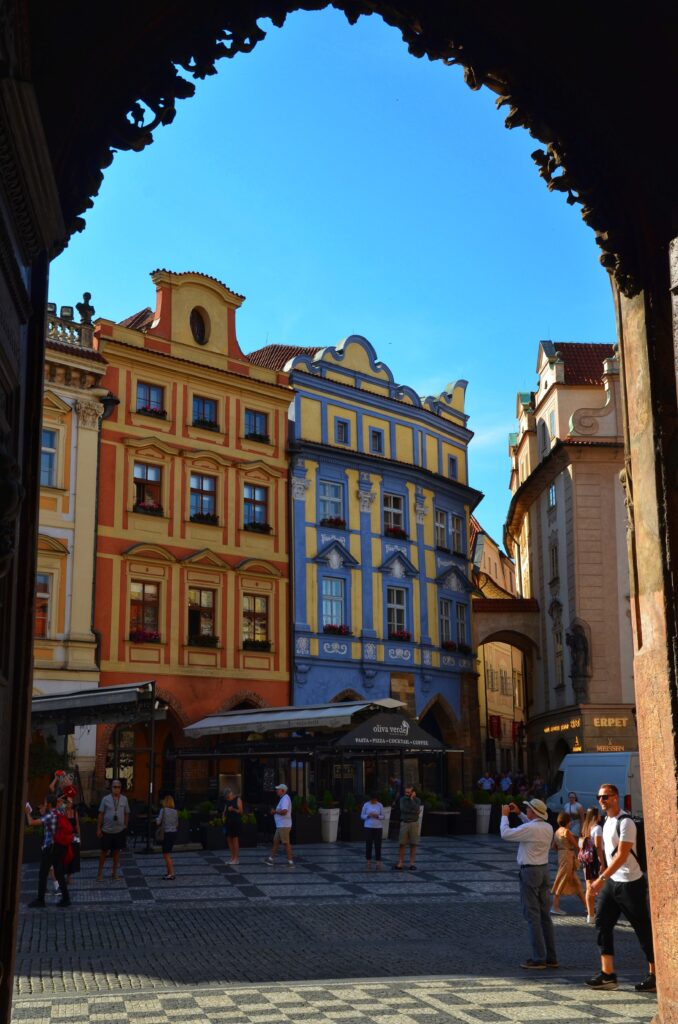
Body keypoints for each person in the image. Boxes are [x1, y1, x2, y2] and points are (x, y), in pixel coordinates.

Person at [586, 783, 655, 992]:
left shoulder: (626, 823)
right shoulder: (606, 822)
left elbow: (623, 854)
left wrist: (601, 879)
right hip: (612, 882)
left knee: (642, 928)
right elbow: (607, 854)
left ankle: (655, 975)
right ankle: (608, 974)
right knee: (602, 924)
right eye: (599, 797)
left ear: (616, 798)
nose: (601, 800)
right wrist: (603, 875)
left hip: (631, 883)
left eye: (605, 797)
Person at [500, 798, 558, 969]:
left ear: (533, 811)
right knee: (545, 916)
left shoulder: (531, 828)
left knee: (533, 916)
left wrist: (505, 816)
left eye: (528, 808)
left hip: (530, 872)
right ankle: (551, 957)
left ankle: (538, 958)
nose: (527, 810)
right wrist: (519, 814)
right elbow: (531, 825)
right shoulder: (547, 827)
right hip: (544, 870)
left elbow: (505, 833)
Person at [25, 795, 70, 908]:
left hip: (50, 848)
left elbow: (32, 823)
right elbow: (67, 803)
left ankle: (40, 900)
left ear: (49, 804)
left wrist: (27, 812)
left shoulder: (50, 815)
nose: (44, 805)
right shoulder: (59, 811)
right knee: (59, 873)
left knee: (43, 873)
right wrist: (59, 801)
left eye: (45, 803)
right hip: (59, 847)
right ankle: (66, 898)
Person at [551, 811, 586, 915]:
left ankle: (587, 906)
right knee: (561, 880)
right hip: (568, 857)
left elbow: (553, 846)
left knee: (576, 882)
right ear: (568, 821)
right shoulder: (566, 832)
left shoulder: (557, 831)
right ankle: (555, 907)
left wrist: (562, 850)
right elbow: (576, 845)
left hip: (562, 855)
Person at [97, 779, 129, 881]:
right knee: (104, 852)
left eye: (118, 787)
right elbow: (101, 814)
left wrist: (125, 825)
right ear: (111, 788)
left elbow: (126, 813)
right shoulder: (105, 799)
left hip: (119, 831)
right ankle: (100, 873)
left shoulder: (124, 799)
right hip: (107, 831)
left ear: (120, 788)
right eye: (114, 787)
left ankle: (114, 872)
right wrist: (98, 828)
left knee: (116, 852)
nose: (116, 789)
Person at [580, 806, 606, 924]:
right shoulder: (598, 828)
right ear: (596, 816)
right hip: (594, 859)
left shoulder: (586, 827)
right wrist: (602, 862)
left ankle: (590, 915)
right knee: (599, 886)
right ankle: (600, 913)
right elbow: (598, 846)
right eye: (599, 814)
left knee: (589, 887)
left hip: (586, 860)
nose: (601, 816)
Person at [393, 784, 421, 871]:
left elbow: (417, 809)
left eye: (408, 792)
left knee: (413, 844)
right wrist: (414, 811)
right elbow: (403, 809)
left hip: (414, 823)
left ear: (413, 793)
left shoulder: (417, 800)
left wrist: (412, 800)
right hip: (405, 823)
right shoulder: (402, 799)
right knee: (402, 843)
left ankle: (411, 863)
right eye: (405, 792)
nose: (406, 793)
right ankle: (400, 862)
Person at [264, 783, 294, 866]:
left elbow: (284, 811)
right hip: (280, 825)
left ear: (283, 791)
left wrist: (275, 811)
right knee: (276, 842)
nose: (276, 791)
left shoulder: (285, 799)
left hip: (284, 825)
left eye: (278, 789)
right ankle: (271, 859)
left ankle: (290, 862)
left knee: (286, 843)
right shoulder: (283, 798)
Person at [156, 794, 179, 879]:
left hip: (166, 834)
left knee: (166, 855)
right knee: (168, 853)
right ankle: (168, 872)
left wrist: (157, 820)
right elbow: (177, 824)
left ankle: (171, 873)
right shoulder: (175, 811)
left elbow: (158, 822)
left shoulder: (163, 810)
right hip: (173, 833)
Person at [361, 794, 384, 870]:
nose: (374, 801)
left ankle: (378, 862)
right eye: (373, 800)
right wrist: (368, 815)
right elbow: (362, 816)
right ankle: (368, 862)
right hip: (368, 827)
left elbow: (383, 816)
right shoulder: (366, 805)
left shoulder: (380, 805)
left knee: (378, 845)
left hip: (378, 827)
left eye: (375, 799)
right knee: (368, 845)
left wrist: (377, 816)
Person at [222, 787, 244, 865]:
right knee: (229, 839)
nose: (227, 797)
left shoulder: (237, 799)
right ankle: (232, 857)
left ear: (230, 794)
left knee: (235, 839)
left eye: (227, 795)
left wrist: (233, 809)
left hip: (235, 822)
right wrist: (223, 817)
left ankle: (236, 859)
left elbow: (241, 811)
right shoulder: (227, 801)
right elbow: (224, 811)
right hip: (228, 822)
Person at [63, 795, 81, 885]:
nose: (69, 803)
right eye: (68, 802)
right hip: (65, 837)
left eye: (71, 801)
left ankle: (69, 877)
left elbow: (77, 825)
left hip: (73, 837)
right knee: (65, 856)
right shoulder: (63, 812)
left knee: (73, 856)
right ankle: (62, 876)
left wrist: (79, 838)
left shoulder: (75, 812)